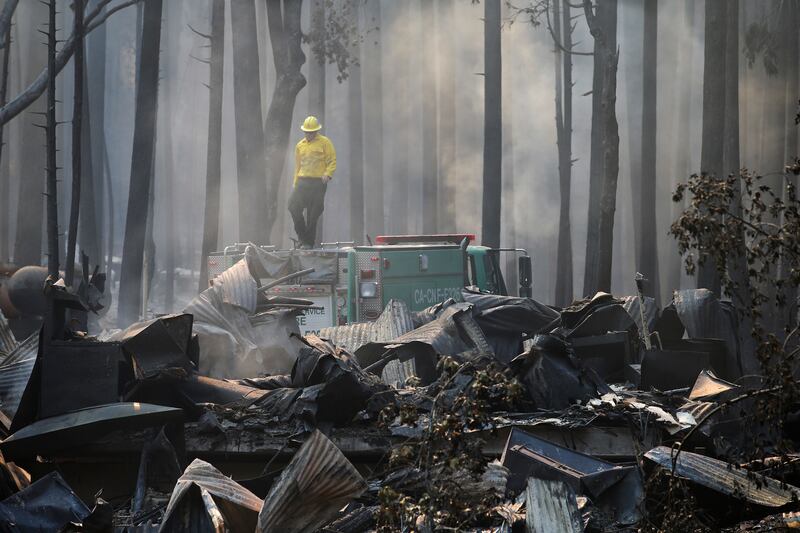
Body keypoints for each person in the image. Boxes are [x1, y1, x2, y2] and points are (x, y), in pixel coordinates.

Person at [288, 116, 336, 249]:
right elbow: (298, 166)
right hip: (303, 182)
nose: (309, 134)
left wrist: (328, 174)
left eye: (311, 132)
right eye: (307, 132)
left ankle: (308, 243)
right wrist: (296, 182)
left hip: (318, 182)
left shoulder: (325, 142)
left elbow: (332, 160)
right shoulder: (300, 145)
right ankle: (302, 237)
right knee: (292, 206)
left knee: (314, 213)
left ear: (316, 131)